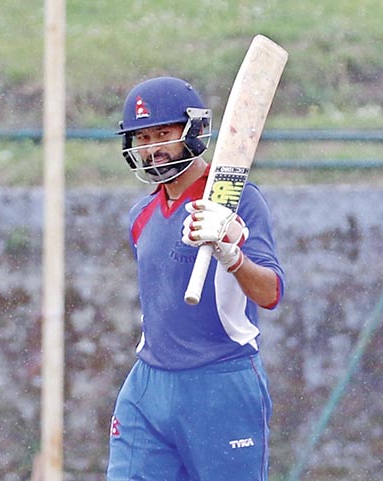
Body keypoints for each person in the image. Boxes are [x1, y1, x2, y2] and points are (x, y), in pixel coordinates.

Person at [107, 76, 285, 481]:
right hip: (147, 386)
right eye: (143, 138)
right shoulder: (141, 215)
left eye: (164, 133)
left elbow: (271, 293)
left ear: (194, 130)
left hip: (219, 383)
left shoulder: (240, 200)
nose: (153, 149)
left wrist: (232, 254)